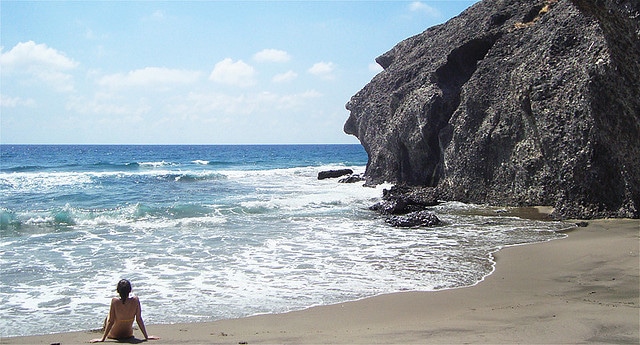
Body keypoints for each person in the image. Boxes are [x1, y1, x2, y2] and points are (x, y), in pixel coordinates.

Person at [90, 279, 159, 343]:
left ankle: (104, 330)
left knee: (108, 316)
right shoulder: (135, 300)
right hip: (128, 334)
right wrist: (146, 337)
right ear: (130, 290)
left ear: (118, 291)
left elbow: (111, 321)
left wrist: (102, 339)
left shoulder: (115, 301)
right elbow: (139, 319)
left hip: (114, 335)